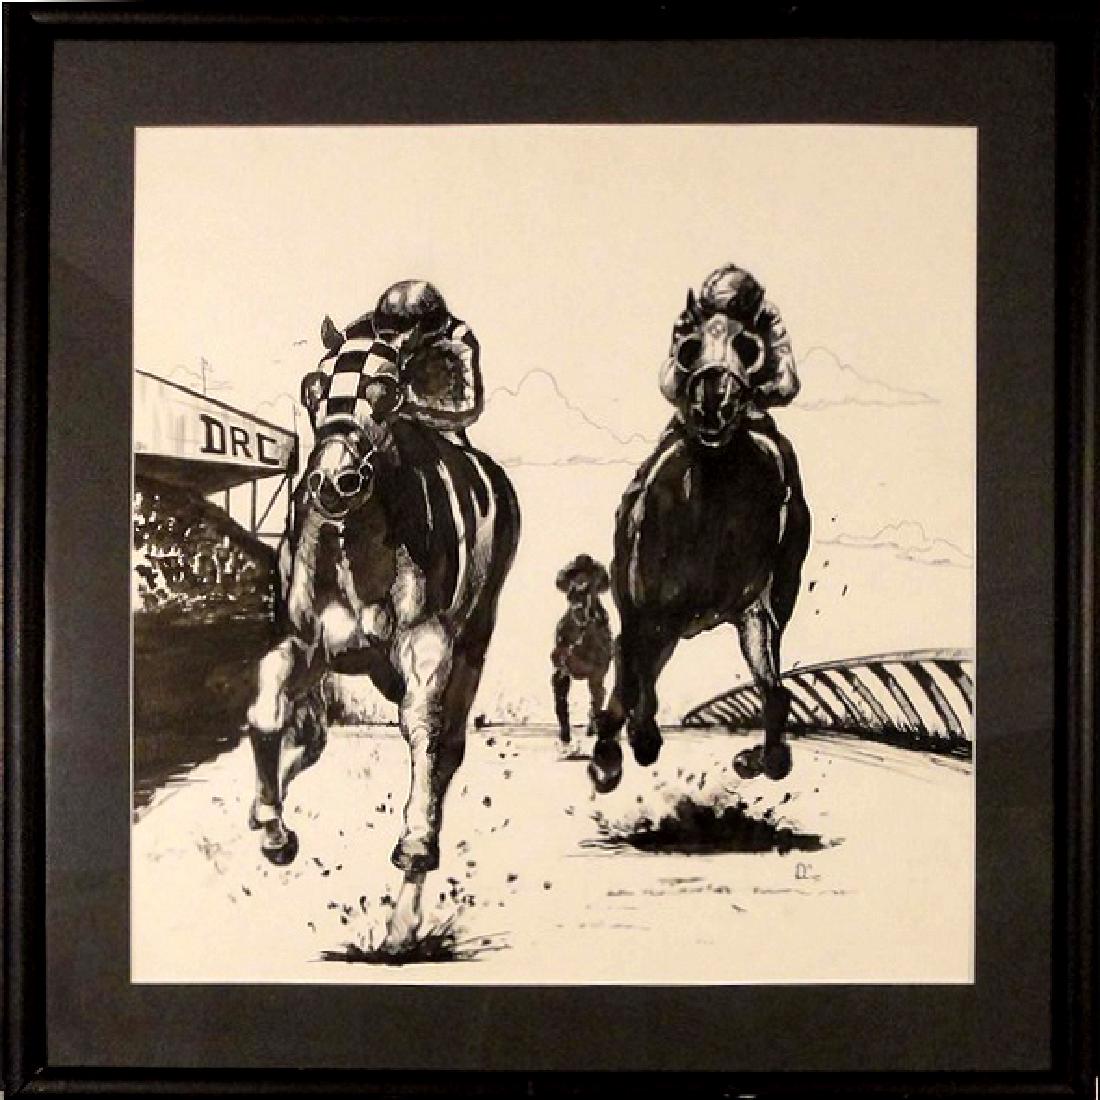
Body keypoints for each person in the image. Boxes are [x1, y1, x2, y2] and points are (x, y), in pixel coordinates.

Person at [304, 279, 483, 441]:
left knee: (449, 446)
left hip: (435, 417)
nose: (394, 340)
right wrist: (338, 340)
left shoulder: (459, 340)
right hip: (385, 410)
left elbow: (469, 408)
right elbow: (352, 335)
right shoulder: (381, 320)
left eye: (402, 331)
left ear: (425, 329)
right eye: (388, 331)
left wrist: (408, 404)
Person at [658, 263, 800, 430]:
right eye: (710, 313)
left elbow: (787, 381)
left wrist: (758, 393)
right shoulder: (691, 318)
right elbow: (670, 384)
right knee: (667, 443)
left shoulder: (767, 317)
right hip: (695, 410)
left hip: (747, 412)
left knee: (775, 444)